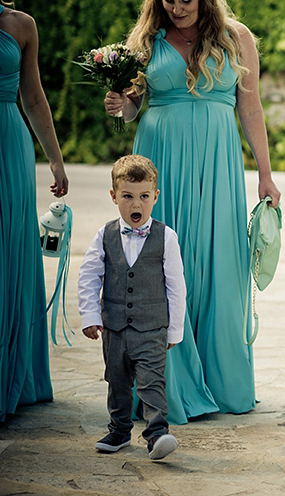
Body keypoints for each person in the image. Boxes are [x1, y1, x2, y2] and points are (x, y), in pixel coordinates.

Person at [103, 0, 280, 423]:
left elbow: (252, 109)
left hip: (217, 165)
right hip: (162, 161)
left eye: (185, 0)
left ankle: (221, 381)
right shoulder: (145, 40)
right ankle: (165, 384)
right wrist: (120, 103)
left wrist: (265, 172)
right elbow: (133, 109)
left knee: (218, 263)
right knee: (161, 267)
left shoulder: (235, 37)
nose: (176, 8)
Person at [0, 0, 69, 423]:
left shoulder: (21, 25)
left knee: (9, 248)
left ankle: (11, 370)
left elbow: (34, 97)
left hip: (8, 143)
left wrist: (57, 161)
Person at [77, 155, 185, 460]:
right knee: (117, 381)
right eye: (127, 197)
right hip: (114, 328)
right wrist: (90, 315)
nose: (135, 205)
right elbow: (89, 275)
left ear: (155, 196)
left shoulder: (167, 237)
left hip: (152, 328)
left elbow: (176, 285)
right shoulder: (105, 234)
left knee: (152, 382)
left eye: (143, 197)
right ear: (114, 196)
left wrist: (174, 328)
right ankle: (120, 430)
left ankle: (157, 435)